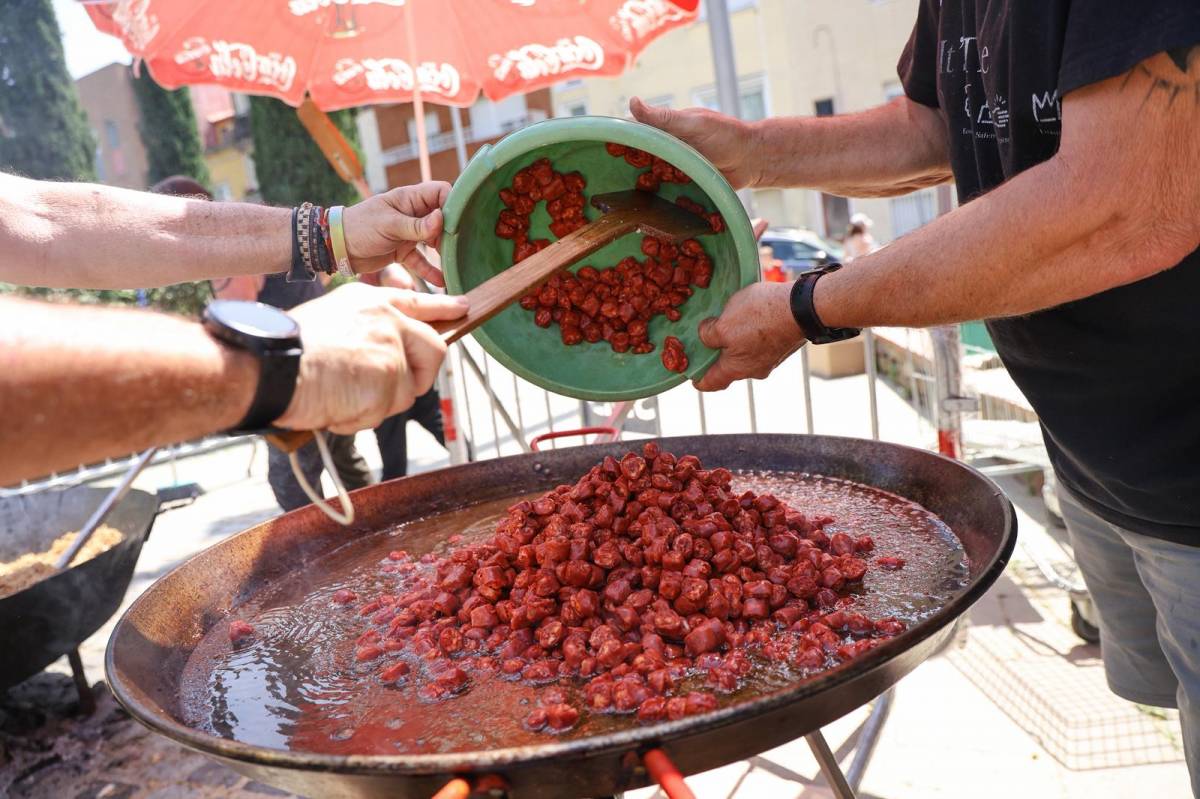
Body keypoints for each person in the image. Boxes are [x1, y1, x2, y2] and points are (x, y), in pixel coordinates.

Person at [631, 5, 1200, 791]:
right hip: (1097, 460)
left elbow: (1126, 206)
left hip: (1189, 456)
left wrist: (808, 306)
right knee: (1172, 715)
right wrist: (751, 151)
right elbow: (933, 128)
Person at [0, 172, 467, 487]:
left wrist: (330, 232)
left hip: (313, 371)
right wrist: (274, 368)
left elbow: (36, 213)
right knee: (298, 481)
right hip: (291, 373)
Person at [152, 175, 374, 511]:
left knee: (292, 482)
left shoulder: (220, 248)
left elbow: (241, 321)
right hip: (326, 347)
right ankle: (381, 525)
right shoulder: (241, 227)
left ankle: (326, 547)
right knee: (341, 454)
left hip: (299, 368)